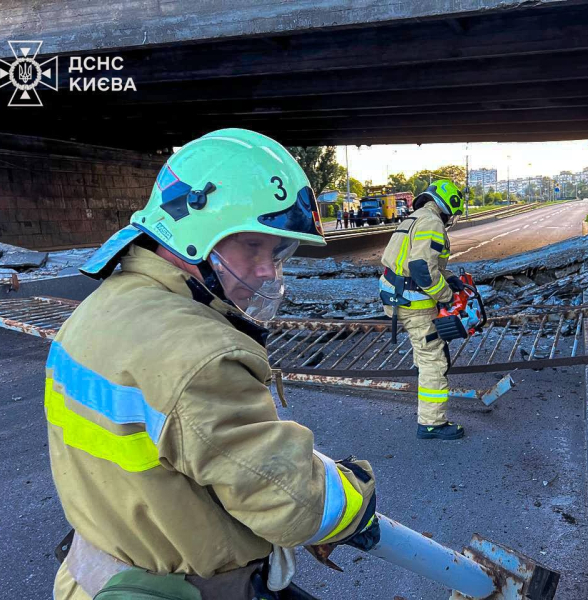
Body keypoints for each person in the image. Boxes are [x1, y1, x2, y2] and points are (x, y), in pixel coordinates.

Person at [47, 129, 378, 600]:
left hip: (91, 575)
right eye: (251, 245)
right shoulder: (202, 354)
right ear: (191, 236)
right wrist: (354, 494)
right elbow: (294, 505)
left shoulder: (97, 310)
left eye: (277, 252)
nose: (267, 271)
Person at [378, 179, 467, 441]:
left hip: (399, 296)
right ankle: (431, 424)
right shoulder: (432, 222)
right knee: (433, 359)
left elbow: (415, 261)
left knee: (424, 351)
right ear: (448, 205)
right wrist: (447, 295)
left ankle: (423, 371)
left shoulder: (416, 217)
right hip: (413, 302)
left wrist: (448, 277)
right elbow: (420, 270)